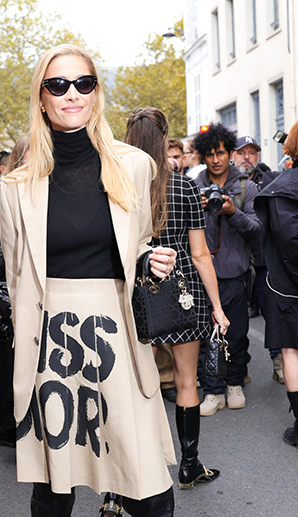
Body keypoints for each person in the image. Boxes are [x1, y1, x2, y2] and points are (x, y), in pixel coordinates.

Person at [0, 43, 232, 517]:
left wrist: (148, 263)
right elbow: (20, 278)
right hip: (52, 340)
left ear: (98, 90)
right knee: (53, 490)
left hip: (117, 337)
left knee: (151, 488)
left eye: (84, 82)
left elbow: (132, 252)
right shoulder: (16, 183)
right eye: (58, 85)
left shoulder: (133, 166)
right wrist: (23, 369)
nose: (72, 93)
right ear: (41, 97)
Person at [125, 107, 229, 489]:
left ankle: (119, 490)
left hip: (137, 296)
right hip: (185, 295)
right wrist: (217, 307)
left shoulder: (118, 185)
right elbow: (201, 254)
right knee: (187, 382)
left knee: (134, 389)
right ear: (164, 137)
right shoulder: (184, 186)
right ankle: (189, 466)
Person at [254, 114, 298, 452]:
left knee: (292, 350)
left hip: (291, 284)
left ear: (293, 144)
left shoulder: (283, 187)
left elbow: (289, 241)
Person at [194, 123, 261, 415]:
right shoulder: (193, 186)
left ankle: (234, 384)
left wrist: (232, 211)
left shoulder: (247, 187)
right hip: (203, 275)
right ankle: (212, 390)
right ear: (203, 157)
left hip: (236, 274)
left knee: (236, 334)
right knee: (207, 335)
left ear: (230, 153)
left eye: (220, 153)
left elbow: (257, 231)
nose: (216, 159)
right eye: (209, 154)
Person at [232, 136, 283, 383]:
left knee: (271, 311)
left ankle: (279, 361)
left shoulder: (271, 180)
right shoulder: (227, 181)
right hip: (236, 260)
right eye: (242, 153)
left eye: (252, 153)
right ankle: (240, 367)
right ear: (233, 155)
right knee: (236, 317)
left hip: (264, 260)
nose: (247, 158)